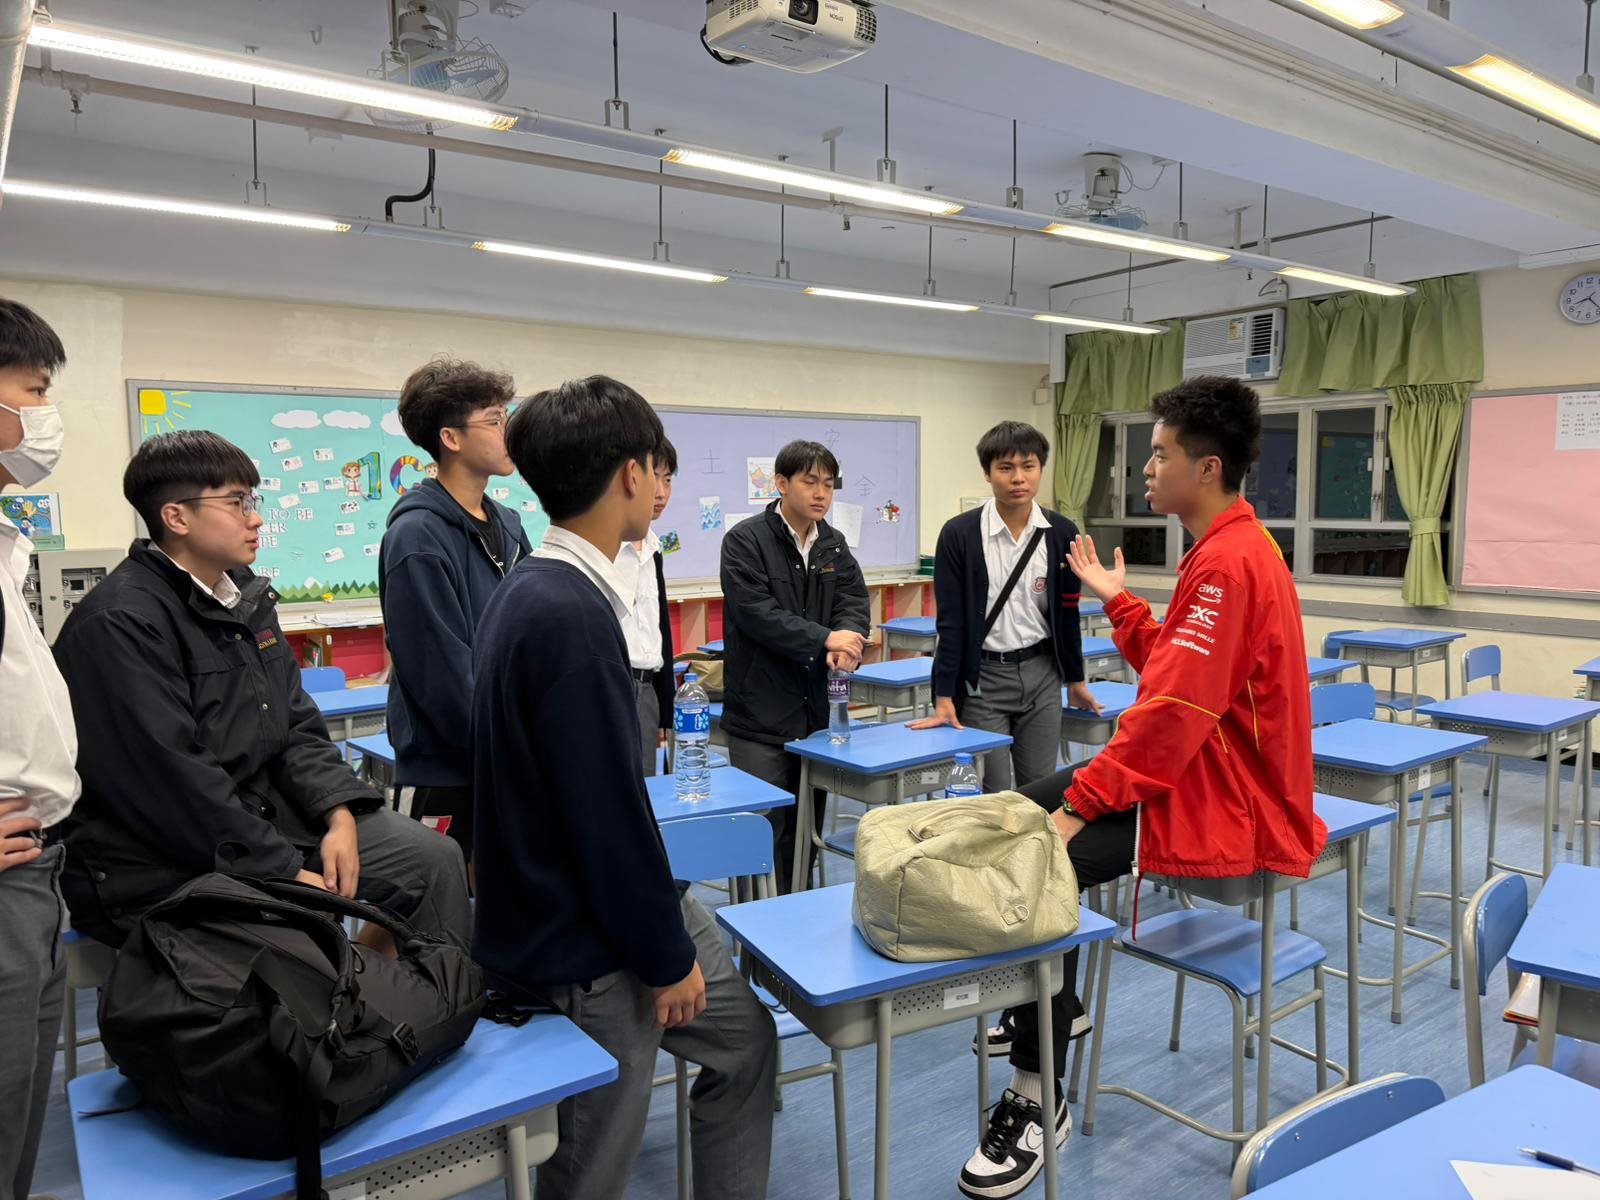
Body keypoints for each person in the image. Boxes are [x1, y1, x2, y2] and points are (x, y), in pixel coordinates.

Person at [952, 376, 1327, 1200]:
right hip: (1199, 773)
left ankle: (1037, 1092)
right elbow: (1181, 676)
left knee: (1039, 863)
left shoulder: (1228, 563)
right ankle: (1054, 1001)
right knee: (1015, 813)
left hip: (1223, 796)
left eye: (1159, 455)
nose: (1146, 469)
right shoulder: (1228, 547)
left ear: (1207, 467)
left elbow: (1170, 717)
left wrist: (1081, 808)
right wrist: (1122, 603)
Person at [472, 376, 775, 1200]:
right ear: (631, 474)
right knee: (590, 1170)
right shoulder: (567, 612)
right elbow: (602, 819)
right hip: (587, 948)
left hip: (610, 908)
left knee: (744, 1041)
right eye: (653, 465)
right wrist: (664, 959)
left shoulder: (538, 588)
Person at [53, 430, 472, 955]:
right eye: (236, 503)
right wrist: (285, 870)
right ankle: (360, 1001)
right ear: (176, 517)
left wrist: (339, 813)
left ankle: (439, 994)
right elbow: (175, 786)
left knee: (431, 859)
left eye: (253, 500)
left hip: (269, 820)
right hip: (164, 857)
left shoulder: (245, 597)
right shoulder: (120, 623)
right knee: (303, 939)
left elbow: (295, 723)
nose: (255, 519)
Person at [909, 419, 1101, 1094]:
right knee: (998, 814)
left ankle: (1042, 976)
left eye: (1028, 467)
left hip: (1043, 675)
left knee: (1044, 811)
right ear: (988, 472)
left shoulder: (1062, 532)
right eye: (1005, 468)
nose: (1018, 478)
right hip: (984, 681)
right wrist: (944, 693)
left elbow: (1068, 615)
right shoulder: (961, 535)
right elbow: (951, 620)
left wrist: (1076, 678)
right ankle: (1009, 973)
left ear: (1041, 470)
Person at [380, 357, 529, 860]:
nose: (508, 431)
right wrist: (516, 747)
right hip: (447, 769)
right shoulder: (416, 537)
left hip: (507, 756)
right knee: (432, 894)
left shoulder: (507, 524)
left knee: (502, 891)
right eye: (494, 420)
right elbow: (442, 679)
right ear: (451, 438)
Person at [0, 297, 78, 1200]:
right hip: (8, 874)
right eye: (34, 391)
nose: (46, 416)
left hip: (35, 861)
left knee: (21, 1098)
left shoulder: (6, 542)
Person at [720, 439, 869, 892]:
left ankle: (796, 916)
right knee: (763, 833)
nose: (821, 493)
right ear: (782, 484)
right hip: (760, 714)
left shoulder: (833, 544)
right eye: (810, 482)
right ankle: (756, 926)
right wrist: (824, 638)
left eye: (828, 484)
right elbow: (756, 614)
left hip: (814, 713)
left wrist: (846, 640)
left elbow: (853, 600)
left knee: (806, 832)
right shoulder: (745, 540)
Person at [614, 434, 677, 775]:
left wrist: (664, 708)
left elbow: (659, 629)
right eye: (655, 477)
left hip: (647, 689)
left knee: (648, 789)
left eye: (668, 480)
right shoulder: (608, 549)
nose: (661, 492)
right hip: (614, 687)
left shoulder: (653, 548)